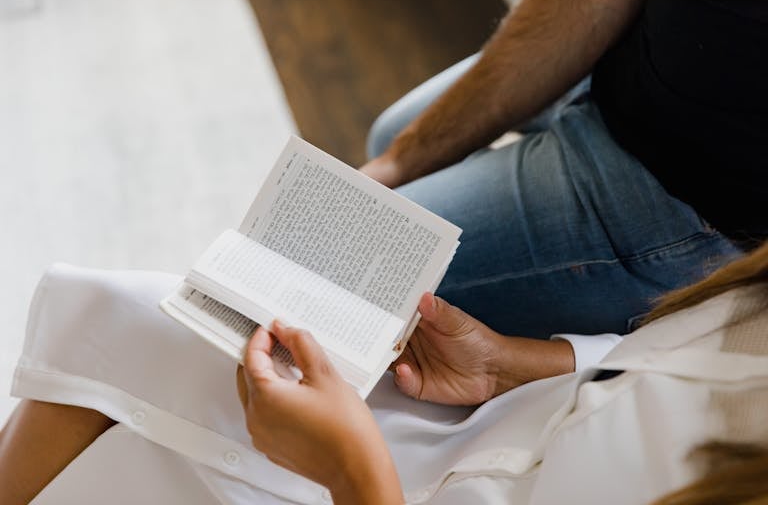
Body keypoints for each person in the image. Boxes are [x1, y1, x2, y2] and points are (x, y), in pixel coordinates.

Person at [1, 243, 768, 504]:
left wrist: (352, 472)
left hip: (379, 485)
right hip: (479, 433)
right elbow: (654, 368)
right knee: (147, 321)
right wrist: (512, 366)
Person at [356, 0, 766, 369]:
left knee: (349, 269)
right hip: (631, 56)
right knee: (388, 136)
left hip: (686, 200)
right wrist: (401, 159)